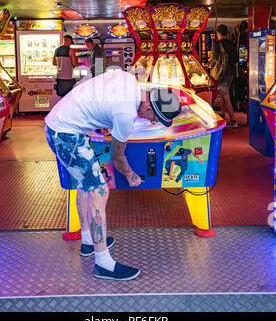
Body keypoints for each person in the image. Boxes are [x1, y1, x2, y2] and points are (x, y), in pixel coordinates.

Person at [45, 69, 181, 281]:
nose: (152, 122)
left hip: (58, 124)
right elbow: (118, 156)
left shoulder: (128, 79)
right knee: (100, 190)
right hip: (65, 135)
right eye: (154, 118)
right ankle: (103, 264)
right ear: (147, 106)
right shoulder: (126, 115)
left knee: (85, 185)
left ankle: (89, 242)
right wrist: (131, 174)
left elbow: (97, 91)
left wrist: (99, 121)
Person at [211, 24, 238, 128]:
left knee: (226, 97)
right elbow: (236, 59)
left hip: (221, 75)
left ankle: (233, 120)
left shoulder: (217, 44)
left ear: (218, 33)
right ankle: (222, 115)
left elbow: (214, 60)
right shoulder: (232, 43)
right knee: (223, 94)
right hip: (230, 73)